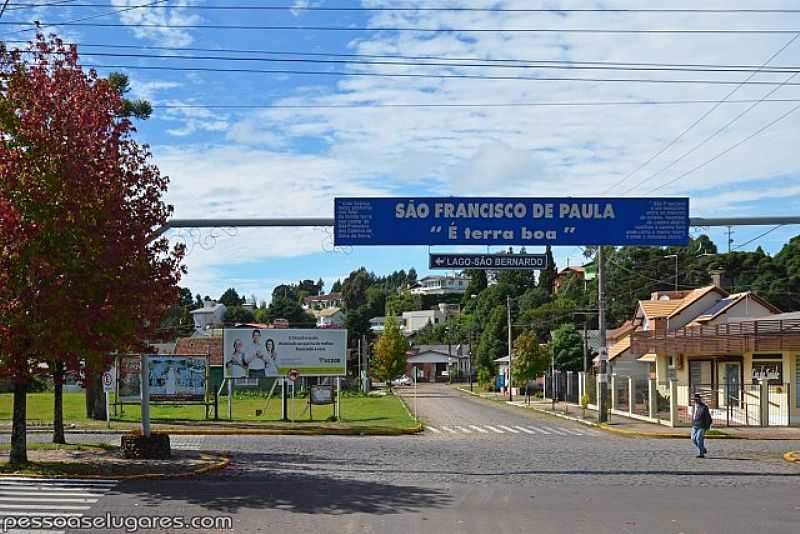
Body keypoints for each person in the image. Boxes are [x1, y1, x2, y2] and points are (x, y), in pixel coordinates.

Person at [691, 393, 712, 458]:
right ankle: (702, 449)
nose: (696, 401)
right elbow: (694, 416)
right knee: (693, 439)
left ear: (700, 399)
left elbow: (708, 418)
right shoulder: (694, 407)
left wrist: (708, 426)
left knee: (698, 439)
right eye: (694, 399)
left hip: (701, 426)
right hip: (695, 425)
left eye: (697, 399)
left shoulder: (704, 407)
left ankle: (701, 454)